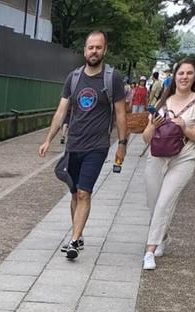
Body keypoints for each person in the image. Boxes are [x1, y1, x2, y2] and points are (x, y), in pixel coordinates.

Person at [38, 31, 127, 260]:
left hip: (97, 146)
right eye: (90, 47)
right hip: (73, 144)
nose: (94, 51)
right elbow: (61, 111)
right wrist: (48, 138)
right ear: (85, 50)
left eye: (98, 47)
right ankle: (78, 233)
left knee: (84, 192)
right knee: (75, 193)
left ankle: (74, 240)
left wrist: (122, 143)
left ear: (104, 50)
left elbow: (120, 112)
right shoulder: (74, 78)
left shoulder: (112, 78)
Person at [141, 58, 195, 270]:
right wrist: (153, 125)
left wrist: (185, 128)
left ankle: (149, 251)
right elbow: (145, 138)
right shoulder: (164, 101)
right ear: (175, 75)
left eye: (190, 73)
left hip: (184, 157)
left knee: (164, 202)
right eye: (181, 73)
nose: (185, 77)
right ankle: (163, 237)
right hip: (157, 156)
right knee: (153, 203)